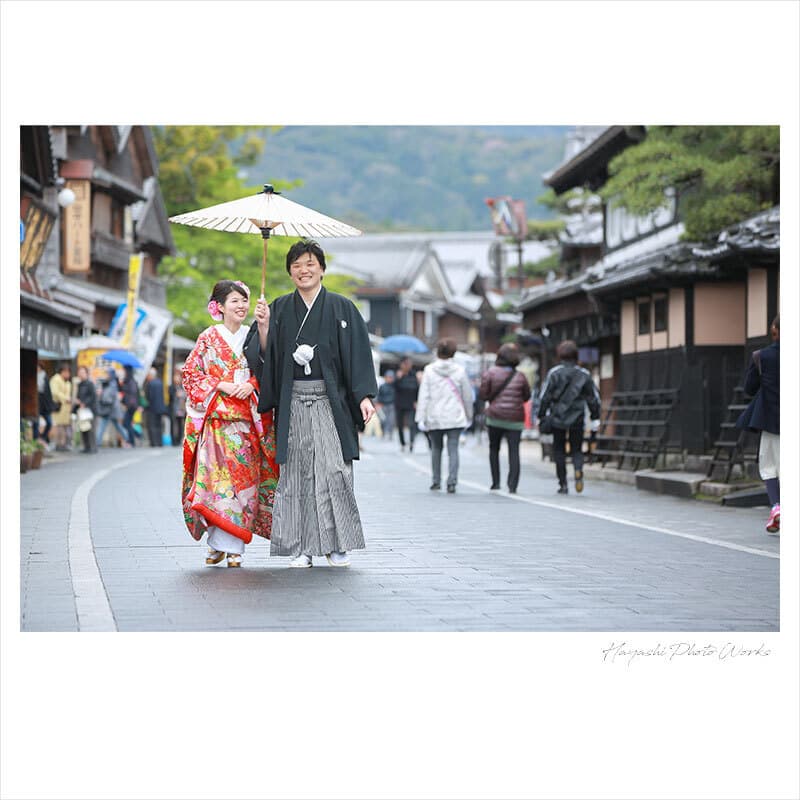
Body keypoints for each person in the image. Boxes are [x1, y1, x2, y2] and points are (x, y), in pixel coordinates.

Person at [246, 239, 377, 568]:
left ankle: (336, 544)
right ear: (289, 272)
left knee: (334, 471)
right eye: (296, 266)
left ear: (321, 268)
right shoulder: (277, 308)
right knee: (296, 474)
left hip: (330, 403)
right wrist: (263, 328)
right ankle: (299, 546)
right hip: (292, 402)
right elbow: (263, 356)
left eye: (309, 264)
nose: (303, 270)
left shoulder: (342, 308)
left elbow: (358, 355)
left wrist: (363, 396)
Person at [182, 279, 279, 568]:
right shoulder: (208, 337)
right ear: (220, 306)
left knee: (242, 486)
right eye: (234, 301)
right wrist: (221, 385)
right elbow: (191, 374)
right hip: (216, 424)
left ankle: (234, 547)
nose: (241, 306)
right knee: (215, 485)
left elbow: (268, 366)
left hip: (246, 424)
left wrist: (252, 383)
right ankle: (217, 544)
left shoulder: (253, 335)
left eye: (244, 301)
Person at [537, 339, 601, 495]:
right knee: (577, 449)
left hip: (558, 418)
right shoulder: (584, 374)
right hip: (577, 417)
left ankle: (563, 484)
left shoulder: (554, 373)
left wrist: (541, 415)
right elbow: (593, 399)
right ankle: (578, 471)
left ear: (560, 355)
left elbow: (544, 397)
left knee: (558, 450)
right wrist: (594, 417)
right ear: (575, 355)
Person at [736, 314, 780, 533]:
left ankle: (777, 507)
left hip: (772, 420)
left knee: (770, 467)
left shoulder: (762, 357)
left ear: (775, 330)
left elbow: (749, 389)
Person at [415, 338, 473, 493]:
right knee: (453, 448)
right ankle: (452, 482)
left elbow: (424, 395)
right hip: (455, 416)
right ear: (453, 353)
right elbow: (467, 396)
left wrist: (420, 417)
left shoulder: (429, 370)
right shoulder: (460, 371)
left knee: (436, 448)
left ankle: (436, 480)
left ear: (438, 352)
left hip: (434, 415)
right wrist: (469, 415)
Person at [479, 343, 532, 494]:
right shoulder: (520, 376)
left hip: (495, 417)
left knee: (494, 449)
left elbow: (483, 395)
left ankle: (495, 482)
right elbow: (526, 396)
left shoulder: (490, 373)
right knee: (514, 451)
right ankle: (513, 485)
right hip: (515, 419)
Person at [95, 369, 131, 448]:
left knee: (103, 425)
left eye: (107, 374)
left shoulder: (112, 384)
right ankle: (127, 438)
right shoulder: (108, 383)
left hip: (110, 409)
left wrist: (101, 395)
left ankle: (97, 442)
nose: (106, 375)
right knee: (116, 425)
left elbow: (108, 398)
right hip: (111, 409)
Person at [394, 356, 419, 452]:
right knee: (400, 425)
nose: (408, 365)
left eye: (409, 364)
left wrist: (416, 401)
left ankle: (412, 442)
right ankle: (402, 443)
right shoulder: (398, 375)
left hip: (411, 403)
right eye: (406, 364)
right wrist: (398, 378)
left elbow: (417, 388)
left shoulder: (413, 375)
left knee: (412, 423)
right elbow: (394, 387)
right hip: (400, 403)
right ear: (402, 365)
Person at [49, 362, 73, 451]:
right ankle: (57, 444)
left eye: (68, 372)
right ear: (61, 371)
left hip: (66, 409)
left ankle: (63, 444)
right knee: (57, 426)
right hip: (58, 407)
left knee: (64, 427)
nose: (67, 374)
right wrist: (65, 398)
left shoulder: (67, 382)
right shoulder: (56, 379)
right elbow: (54, 392)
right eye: (65, 371)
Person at [74, 366, 98, 453]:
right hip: (82, 410)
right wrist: (78, 402)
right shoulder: (79, 384)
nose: (80, 374)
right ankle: (86, 447)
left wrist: (85, 403)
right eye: (79, 372)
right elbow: (78, 396)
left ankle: (93, 447)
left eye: (82, 372)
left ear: (86, 373)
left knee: (91, 429)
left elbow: (93, 397)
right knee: (83, 428)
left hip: (90, 410)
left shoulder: (90, 384)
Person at [144, 367, 168, 446]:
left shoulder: (150, 384)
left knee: (152, 425)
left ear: (151, 375)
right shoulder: (160, 382)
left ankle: (154, 442)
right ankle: (159, 442)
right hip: (160, 407)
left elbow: (149, 397)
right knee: (159, 425)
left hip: (152, 408)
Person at [120, 365, 142, 447]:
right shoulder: (129, 381)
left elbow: (132, 394)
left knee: (126, 423)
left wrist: (128, 404)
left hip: (131, 406)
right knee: (127, 423)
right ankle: (133, 438)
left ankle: (133, 439)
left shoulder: (130, 381)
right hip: (132, 405)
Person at [35, 362, 54, 447]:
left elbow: (49, 393)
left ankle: (43, 437)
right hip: (36, 404)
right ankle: (36, 441)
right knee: (36, 424)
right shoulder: (32, 377)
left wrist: (50, 405)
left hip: (45, 404)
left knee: (49, 423)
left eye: (38, 367)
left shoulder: (45, 377)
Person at [169, 366, 188, 447]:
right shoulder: (172, 387)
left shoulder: (183, 387)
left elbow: (186, 396)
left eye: (178, 377)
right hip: (174, 408)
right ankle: (174, 440)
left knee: (181, 424)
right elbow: (170, 397)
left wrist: (182, 394)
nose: (176, 379)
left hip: (182, 408)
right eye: (175, 377)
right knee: (173, 424)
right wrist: (175, 395)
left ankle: (179, 438)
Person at [375, 369, 396, 439]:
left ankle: (389, 433)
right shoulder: (382, 386)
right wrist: (377, 404)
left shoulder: (394, 386)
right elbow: (379, 396)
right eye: (388, 377)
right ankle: (384, 432)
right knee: (383, 420)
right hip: (383, 405)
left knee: (391, 420)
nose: (389, 379)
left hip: (391, 405)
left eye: (391, 377)